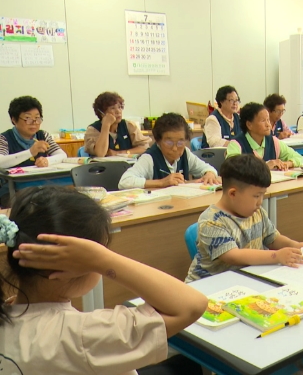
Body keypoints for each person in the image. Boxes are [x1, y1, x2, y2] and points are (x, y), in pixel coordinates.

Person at [1, 186, 207, 374]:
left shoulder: (8, 312)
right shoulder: (82, 336)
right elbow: (191, 305)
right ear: (68, 269)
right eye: (96, 254)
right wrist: (102, 260)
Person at [185, 154, 303, 282]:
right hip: (209, 286)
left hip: (243, 280)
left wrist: (295, 246)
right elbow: (233, 256)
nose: (260, 201)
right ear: (233, 193)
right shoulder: (212, 221)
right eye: (256, 196)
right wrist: (277, 256)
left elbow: (272, 238)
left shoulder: (256, 211)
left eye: (263, 195)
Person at [119, 113, 220, 189]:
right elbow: (124, 182)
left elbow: (208, 168)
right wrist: (161, 182)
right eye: (169, 143)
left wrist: (209, 174)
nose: (175, 148)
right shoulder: (150, 158)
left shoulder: (185, 153)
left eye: (180, 143)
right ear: (158, 140)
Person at [226, 102, 303, 171]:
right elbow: (232, 169)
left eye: (268, 120)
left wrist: (286, 164)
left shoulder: (273, 141)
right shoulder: (236, 144)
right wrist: (265, 166)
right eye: (263, 121)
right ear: (249, 124)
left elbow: (299, 158)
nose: (268, 125)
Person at [0, 96, 66, 169]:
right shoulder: (4, 138)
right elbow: (1, 162)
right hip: (15, 180)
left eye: (37, 118)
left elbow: (62, 155)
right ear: (14, 120)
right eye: (28, 118)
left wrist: (47, 160)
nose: (34, 123)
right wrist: (30, 152)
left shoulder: (43, 135)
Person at [85, 92, 150, 157]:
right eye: (113, 108)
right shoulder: (93, 130)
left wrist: (121, 153)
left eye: (119, 107)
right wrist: (106, 125)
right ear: (102, 113)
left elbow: (144, 147)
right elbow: (100, 153)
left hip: (127, 165)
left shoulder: (128, 125)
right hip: (103, 166)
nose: (118, 111)